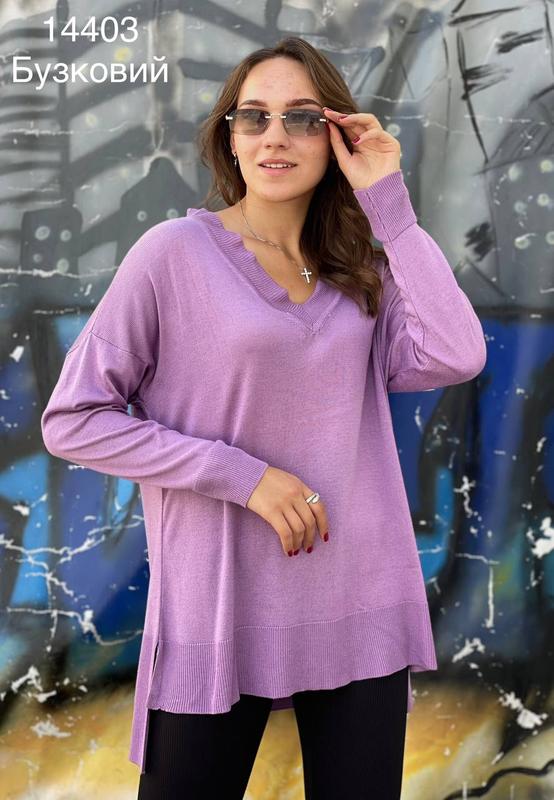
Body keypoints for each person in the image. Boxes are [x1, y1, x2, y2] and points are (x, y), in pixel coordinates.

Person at [40, 36, 487, 800]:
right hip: (220, 610)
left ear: (337, 136)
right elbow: (74, 419)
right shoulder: (173, 255)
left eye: (302, 117)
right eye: (254, 117)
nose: (274, 136)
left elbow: (457, 353)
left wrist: (390, 205)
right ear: (231, 137)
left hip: (359, 599)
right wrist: (241, 476)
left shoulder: (361, 268)